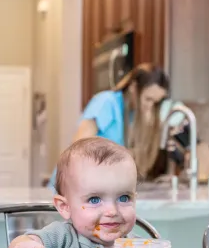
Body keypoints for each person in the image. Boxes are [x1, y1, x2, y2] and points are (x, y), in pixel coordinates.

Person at [48, 63, 179, 190]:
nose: (150, 106)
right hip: (72, 187)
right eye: (148, 99)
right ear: (133, 88)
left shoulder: (134, 116)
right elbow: (77, 148)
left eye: (155, 102)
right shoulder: (106, 103)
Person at [9, 137, 138, 248]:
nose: (112, 211)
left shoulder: (138, 246)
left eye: (124, 198)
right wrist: (28, 247)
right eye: (94, 200)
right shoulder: (63, 236)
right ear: (65, 207)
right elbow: (21, 242)